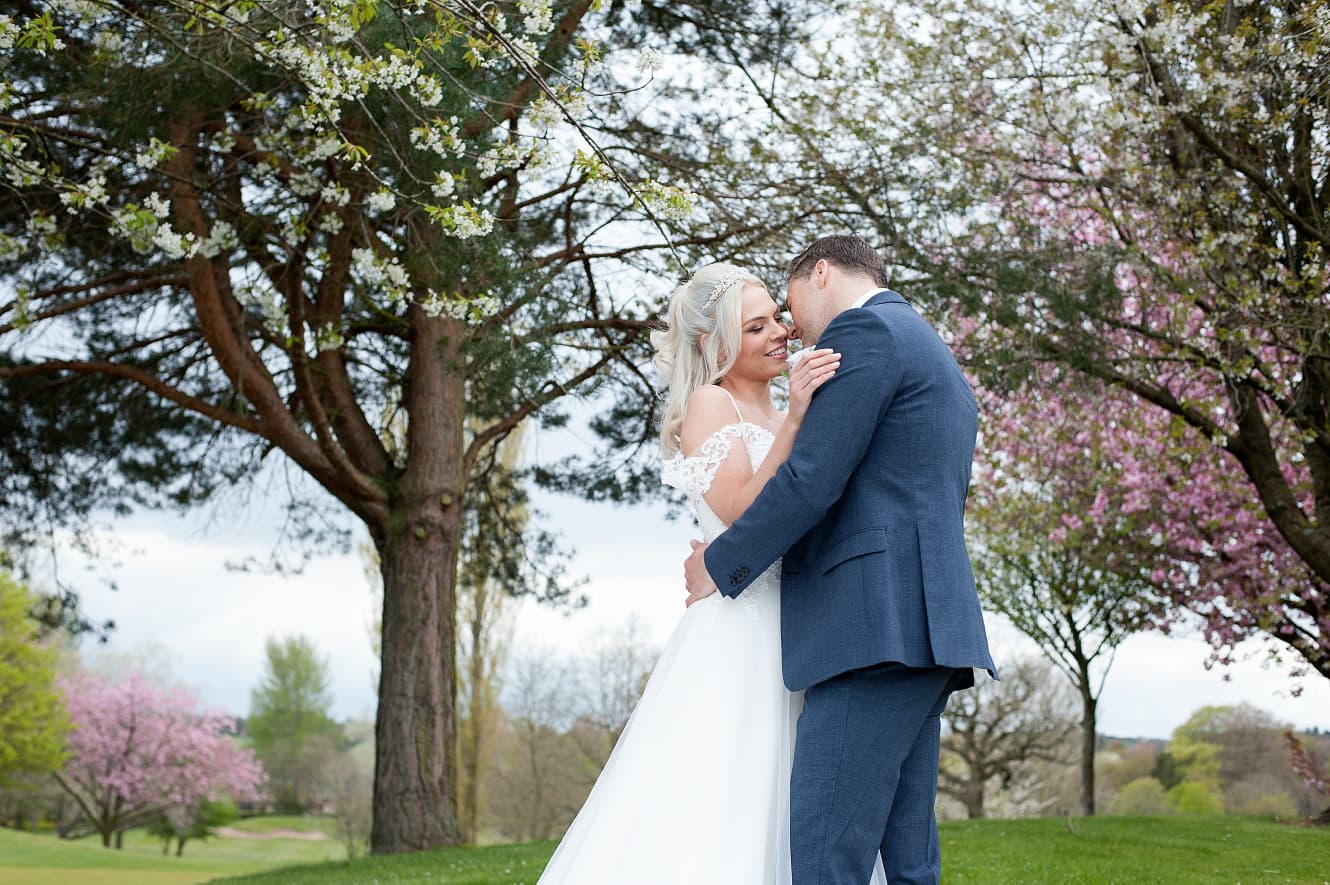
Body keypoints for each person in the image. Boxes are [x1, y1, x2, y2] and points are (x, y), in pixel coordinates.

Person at [536, 262, 886, 885]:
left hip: (800, 618)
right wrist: (801, 419)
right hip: (738, 631)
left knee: (800, 793)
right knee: (726, 787)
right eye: (756, 327)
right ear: (713, 343)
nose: (780, 331)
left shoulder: (782, 408)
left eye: (776, 317)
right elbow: (740, 509)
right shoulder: (709, 403)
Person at [684, 234, 997, 885]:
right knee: (907, 860)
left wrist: (721, 563)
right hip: (922, 632)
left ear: (820, 272)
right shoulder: (926, 344)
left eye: (789, 305)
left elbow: (811, 481)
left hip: (871, 634)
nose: (792, 326)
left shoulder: (865, 334)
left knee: (827, 857)